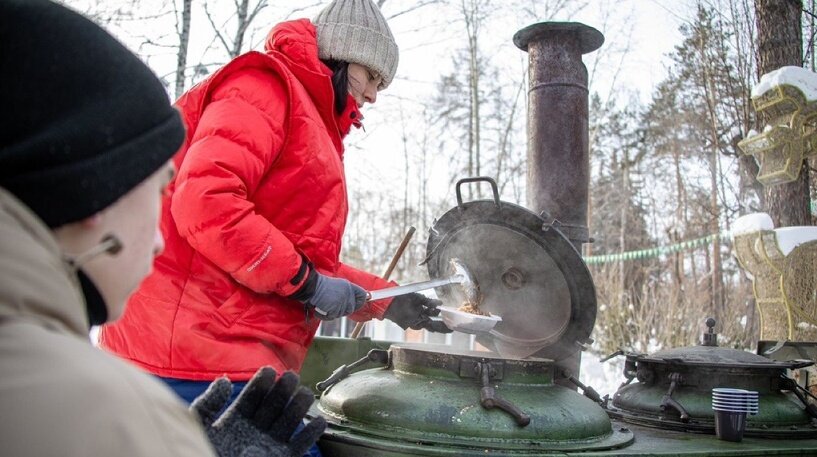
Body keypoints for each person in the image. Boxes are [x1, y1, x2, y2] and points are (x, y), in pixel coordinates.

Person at [0, 1, 324, 456]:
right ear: (97, 189)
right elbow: (209, 203)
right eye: (157, 191)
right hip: (202, 355)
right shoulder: (110, 415)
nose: (157, 240)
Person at [99, 0, 451, 406]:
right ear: (340, 55)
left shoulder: (313, 122)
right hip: (191, 354)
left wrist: (389, 299)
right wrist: (309, 283)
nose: (372, 94)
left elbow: (294, 256)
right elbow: (206, 203)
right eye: (370, 76)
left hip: (232, 351)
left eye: (380, 85)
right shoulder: (265, 87)